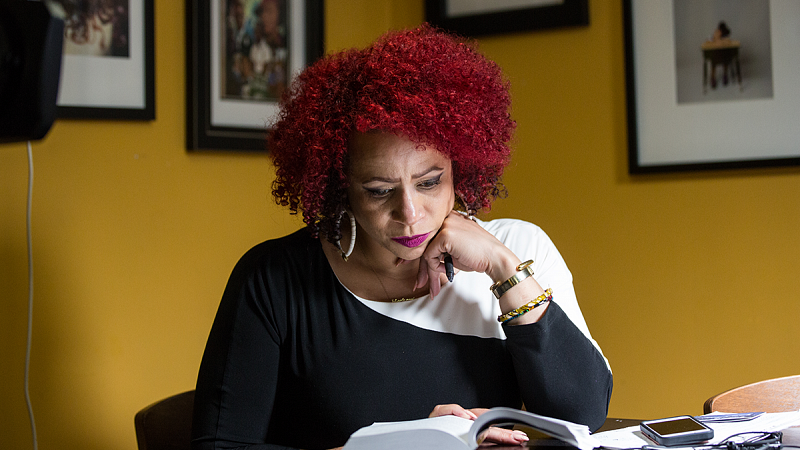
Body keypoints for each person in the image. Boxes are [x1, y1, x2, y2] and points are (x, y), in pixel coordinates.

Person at [191, 24, 612, 450]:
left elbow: (584, 417)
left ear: (460, 168)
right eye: (379, 191)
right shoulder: (274, 279)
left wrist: (504, 270)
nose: (410, 215)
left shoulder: (519, 250)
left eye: (430, 183)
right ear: (340, 188)